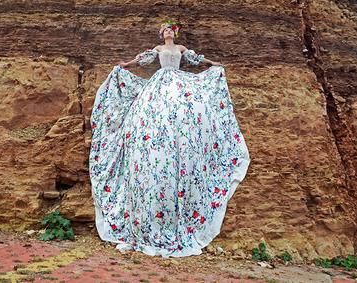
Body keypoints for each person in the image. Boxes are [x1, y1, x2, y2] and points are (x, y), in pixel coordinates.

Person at [88, 19, 250, 257]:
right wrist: (126, 65)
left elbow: (196, 60)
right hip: (159, 83)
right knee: (151, 117)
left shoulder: (181, 49)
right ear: (161, 34)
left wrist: (213, 63)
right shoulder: (158, 50)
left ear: (174, 33)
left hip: (178, 81)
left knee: (187, 114)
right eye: (164, 30)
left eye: (170, 30)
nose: (167, 33)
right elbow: (141, 60)